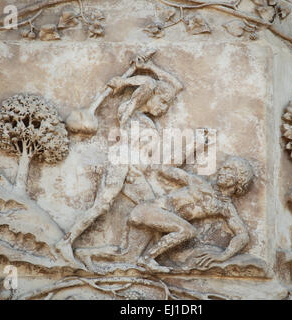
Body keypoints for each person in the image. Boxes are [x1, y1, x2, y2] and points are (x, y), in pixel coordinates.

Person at [54, 56, 183, 270]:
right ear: (150, 96)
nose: (164, 108)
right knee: (102, 205)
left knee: (153, 210)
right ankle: (65, 243)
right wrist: (125, 82)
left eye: (167, 105)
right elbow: (149, 84)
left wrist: (150, 66)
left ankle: (140, 258)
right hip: (121, 164)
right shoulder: (129, 111)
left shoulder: (148, 121)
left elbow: (176, 85)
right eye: (162, 102)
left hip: (134, 172)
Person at [126, 156, 254, 273]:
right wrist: (192, 147)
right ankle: (147, 259)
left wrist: (223, 256)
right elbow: (165, 170)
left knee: (187, 231)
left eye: (229, 170)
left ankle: (147, 259)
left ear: (240, 179)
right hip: (147, 210)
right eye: (223, 168)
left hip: (161, 220)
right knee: (188, 231)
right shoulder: (198, 182)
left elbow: (243, 235)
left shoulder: (225, 207)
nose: (222, 172)